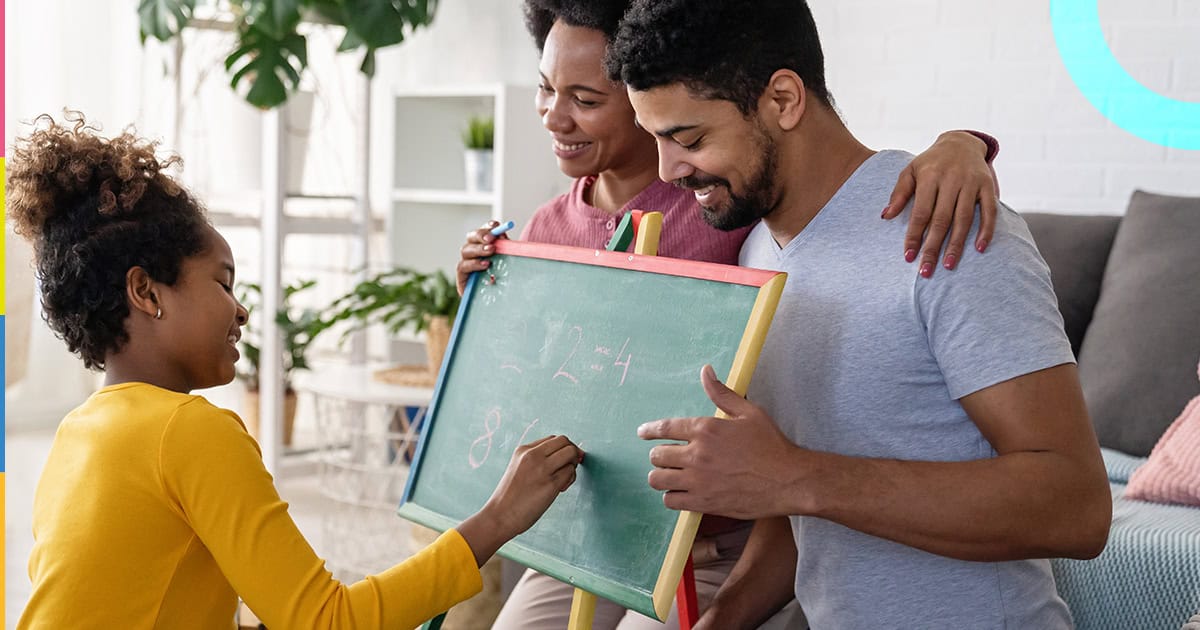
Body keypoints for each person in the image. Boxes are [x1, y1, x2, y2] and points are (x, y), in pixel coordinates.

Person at [456, 3, 1006, 629]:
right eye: (546, 89)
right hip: (603, 529)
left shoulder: (732, 213)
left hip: (716, 541)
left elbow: (832, 189)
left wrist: (963, 146)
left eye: (685, 139)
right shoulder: (730, 231)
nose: (557, 115)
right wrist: (487, 298)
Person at [605, 1, 1113, 628]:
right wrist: (723, 618)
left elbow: (1077, 508)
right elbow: (806, 503)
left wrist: (796, 476)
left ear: (784, 99)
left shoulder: (948, 230)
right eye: (654, 138)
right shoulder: (760, 249)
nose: (667, 170)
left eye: (689, 139)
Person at [8, 114, 582, 630]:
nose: (241, 309)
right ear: (145, 292)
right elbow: (330, 622)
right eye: (223, 282)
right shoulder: (190, 430)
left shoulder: (78, 431)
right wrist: (500, 517)